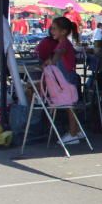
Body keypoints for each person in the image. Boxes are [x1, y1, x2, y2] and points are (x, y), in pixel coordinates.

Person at [35, 16, 84, 145]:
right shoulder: (63, 43)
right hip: (68, 78)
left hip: (66, 80)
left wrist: (50, 61)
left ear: (63, 31)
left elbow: (58, 55)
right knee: (70, 106)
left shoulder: (63, 44)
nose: (52, 31)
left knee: (69, 107)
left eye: (54, 29)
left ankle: (73, 134)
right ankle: (76, 131)